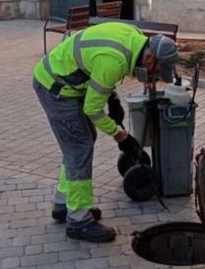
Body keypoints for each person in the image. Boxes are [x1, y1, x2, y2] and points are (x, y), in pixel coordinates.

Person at [32, 22, 179, 243]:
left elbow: (97, 67)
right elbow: (92, 108)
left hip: (65, 81)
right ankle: (79, 220)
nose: (153, 76)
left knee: (80, 144)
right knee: (80, 148)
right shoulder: (115, 61)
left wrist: (114, 100)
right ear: (149, 58)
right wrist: (121, 136)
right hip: (56, 88)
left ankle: (64, 205)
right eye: (156, 72)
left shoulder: (135, 37)